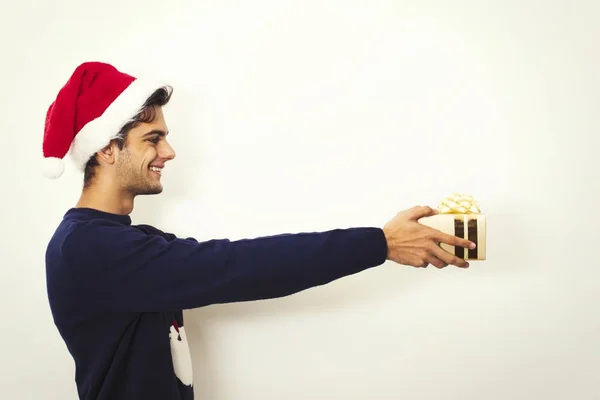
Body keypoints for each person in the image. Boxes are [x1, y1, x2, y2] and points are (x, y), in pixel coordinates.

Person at [43, 61, 476, 400]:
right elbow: (240, 267)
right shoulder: (90, 248)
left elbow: (235, 259)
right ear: (106, 147)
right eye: (153, 139)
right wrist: (381, 243)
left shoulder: (127, 241)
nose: (169, 152)